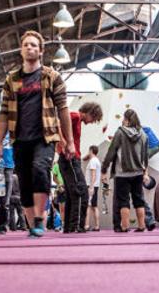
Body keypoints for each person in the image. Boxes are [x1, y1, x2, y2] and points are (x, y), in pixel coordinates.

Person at [0, 31, 75, 238]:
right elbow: (3, 113)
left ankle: (39, 218)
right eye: (26, 45)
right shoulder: (12, 80)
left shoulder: (51, 77)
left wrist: (70, 141)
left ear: (41, 51)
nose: (30, 48)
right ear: (21, 50)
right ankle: (32, 224)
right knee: (25, 182)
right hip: (19, 139)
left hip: (45, 137)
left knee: (40, 170)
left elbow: (63, 110)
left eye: (34, 45)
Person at [102, 107, 150, 233]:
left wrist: (104, 167)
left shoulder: (120, 133)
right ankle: (141, 225)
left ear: (127, 120)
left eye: (124, 118)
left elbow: (111, 152)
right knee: (139, 199)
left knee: (124, 201)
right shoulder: (143, 134)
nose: (122, 121)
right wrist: (145, 171)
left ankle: (125, 226)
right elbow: (145, 156)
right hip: (138, 173)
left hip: (122, 173)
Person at [58, 99, 102, 233]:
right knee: (80, 191)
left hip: (68, 159)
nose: (91, 122)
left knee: (72, 193)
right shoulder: (75, 116)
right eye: (93, 119)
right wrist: (64, 143)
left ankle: (70, 227)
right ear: (89, 113)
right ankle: (78, 225)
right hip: (70, 158)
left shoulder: (77, 120)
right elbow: (57, 124)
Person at [85, 145, 102, 231]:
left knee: (88, 205)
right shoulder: (96, 160)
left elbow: (93, 174)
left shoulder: (93, 161)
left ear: (91, 150)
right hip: (95, 185)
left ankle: (87, 225)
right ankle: (97, 226)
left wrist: (91, 187)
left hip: (91, 185)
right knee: (94, 206)